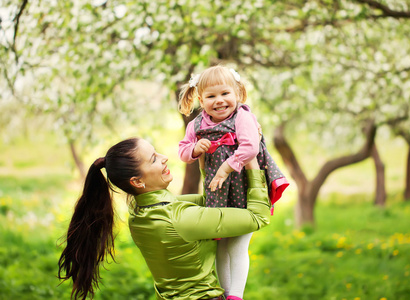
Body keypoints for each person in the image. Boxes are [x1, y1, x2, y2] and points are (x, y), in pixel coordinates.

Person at [57, 137, 271, 300]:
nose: (164, 157)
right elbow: (257, 216)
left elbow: (209, 202)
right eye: (154, 159)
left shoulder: (139, 215)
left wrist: (207, 163)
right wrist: (251, 162)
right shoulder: (179, 218)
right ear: (137, 181)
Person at [178, 66, 289, 300]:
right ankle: (225, 293)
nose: (219, 101)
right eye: (211, 96)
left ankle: (236, 295)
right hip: (217, 194)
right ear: (200, 100)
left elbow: (250, 147)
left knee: (237, 245)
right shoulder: (196, 125)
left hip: (245, 188)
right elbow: (183, 151)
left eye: (225, 94)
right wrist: (195, 149)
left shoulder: (243, 117)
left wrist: (226, 166)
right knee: (220, 244)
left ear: (237, 93)